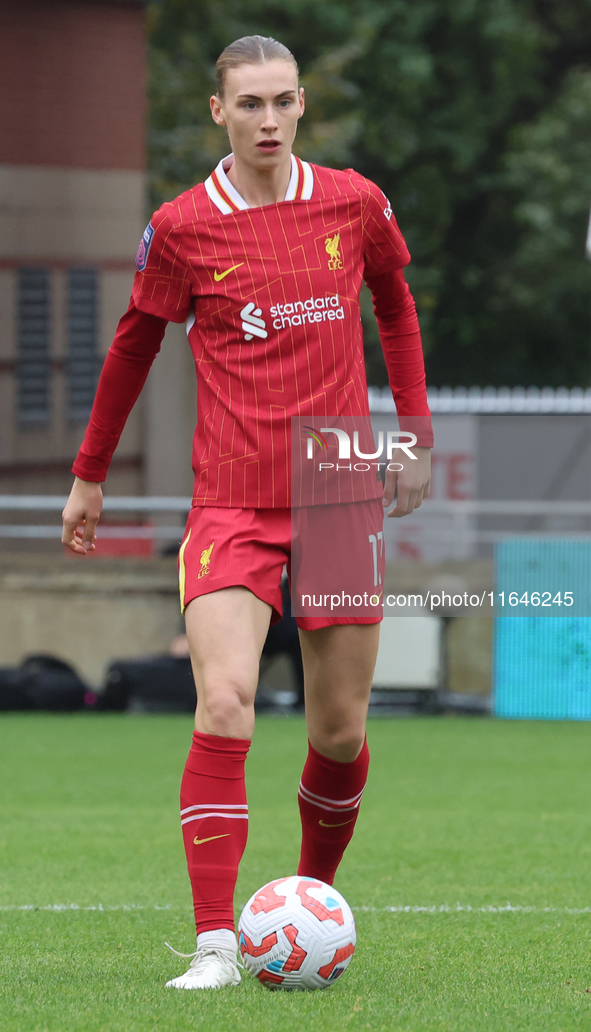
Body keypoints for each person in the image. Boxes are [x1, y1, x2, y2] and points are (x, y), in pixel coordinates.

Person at [61, 35, 433, 990]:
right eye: (249, 105)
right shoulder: (184, 227)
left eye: (281, 102)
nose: (267, 120)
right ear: (218, 114)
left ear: (302, 104)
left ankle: (307, 909)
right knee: (223, 700)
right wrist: (90, 472)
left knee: (339, 731)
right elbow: (133, 346)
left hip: (340, 476)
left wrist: (414, 432)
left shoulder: (353, 201)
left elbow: (394, 302)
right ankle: (218, 944)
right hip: (230, 493)